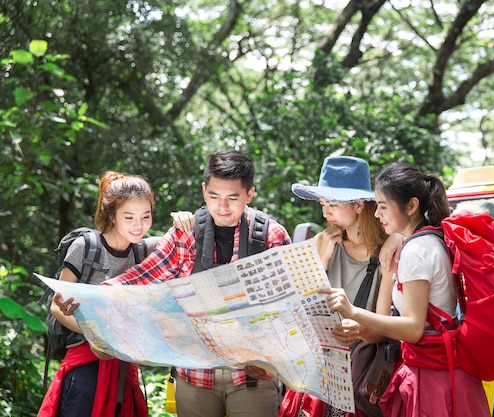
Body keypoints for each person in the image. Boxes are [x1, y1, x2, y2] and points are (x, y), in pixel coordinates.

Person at [56, 150, 291, 417]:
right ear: (204, 190)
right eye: (214, 196)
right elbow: (142, 278)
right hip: (194, 375)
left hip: (253, 376)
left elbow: (287, 307)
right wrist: (87, 298)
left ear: (249, 195)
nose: (222, 207)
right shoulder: (187, 234)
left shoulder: (271, 236)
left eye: (232, 198)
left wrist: (275, 361)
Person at [320, 162, 490, 417]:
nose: (376, 214)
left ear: (410, 206)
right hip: (445, 373)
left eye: (383, 207)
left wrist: (352, 312)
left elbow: (413, 328)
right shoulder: (431, 239)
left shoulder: (416, 251)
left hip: (434, 378)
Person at [280, 156, 394, 417]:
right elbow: (300, 311)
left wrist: (360, 329)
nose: (325, 212)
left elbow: (383, 327)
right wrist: (322, 258)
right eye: (322, 204)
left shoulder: (387, 252)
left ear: (358, 205)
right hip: (316, 377)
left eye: (332, 204)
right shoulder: (321, 242)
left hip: (357, 377)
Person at [38, 171, 159, 417]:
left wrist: (186, 219)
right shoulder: (86, 247)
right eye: (129, 217)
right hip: (86, 359)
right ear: (111, 215)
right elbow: (55, 306)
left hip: (124, 365)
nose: (139, 225)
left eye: (146, 216)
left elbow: (181, 240)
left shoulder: (143, 251)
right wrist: (97, 336)